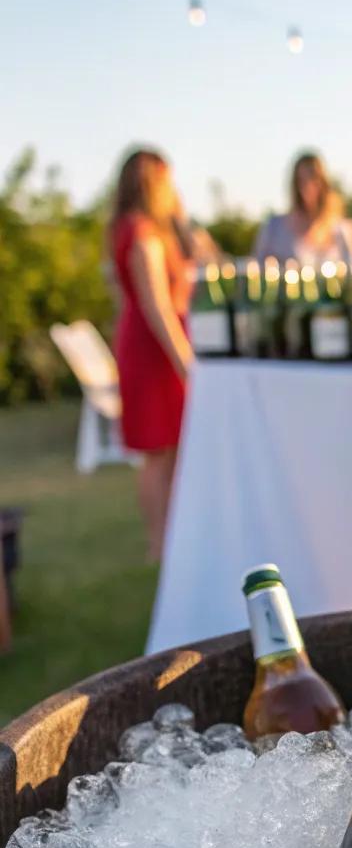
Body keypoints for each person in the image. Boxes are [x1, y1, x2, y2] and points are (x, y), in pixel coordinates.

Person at [109, 149, 194, 561]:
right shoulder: (142, 233)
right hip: (155, 352)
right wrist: (186, 364)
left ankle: (171, 539)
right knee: (158, 452)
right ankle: (159, 546)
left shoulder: (136, 228)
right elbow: (157, 306)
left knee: (171, 448)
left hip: (150, 346)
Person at [255, 153, 352, 265]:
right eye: (301, 181)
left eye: (313, 178)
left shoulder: (343, 230)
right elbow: (257, 268)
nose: (307, 187)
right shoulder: (274, 227)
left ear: (323, 182)